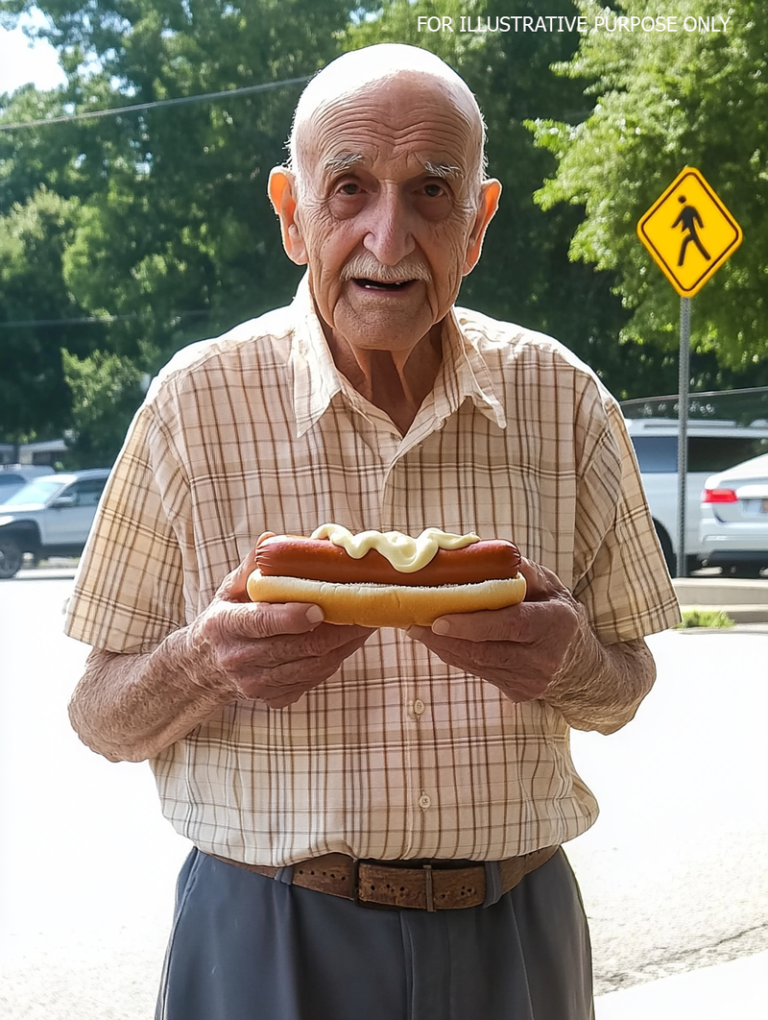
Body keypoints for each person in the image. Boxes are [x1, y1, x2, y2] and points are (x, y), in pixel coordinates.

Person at [65, 43, 680, 1020]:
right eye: (349, 188)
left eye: (433, 191)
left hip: (514, 933)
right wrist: (204, 663)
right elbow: (99, 715)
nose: (388, 237)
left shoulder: (566, 401)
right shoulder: (192, 405)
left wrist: (564, 666)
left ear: (477, 223)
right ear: (292, 213)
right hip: (265, 935)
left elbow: (625, 686)